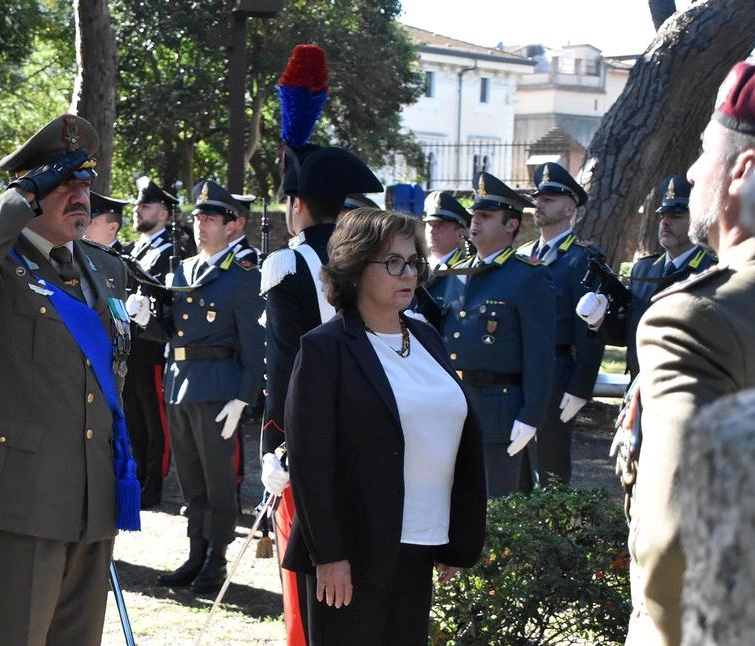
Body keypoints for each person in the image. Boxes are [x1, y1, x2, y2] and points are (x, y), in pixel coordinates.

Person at [0, 114, 138, 646]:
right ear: (29, 193)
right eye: (63, 183)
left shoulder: (105, 269)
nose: (81, 196)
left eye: (85, 183)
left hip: (91, 497)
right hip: (19, 498)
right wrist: (23, 194)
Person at [282, 208, 486, 645]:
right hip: (353, 551)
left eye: (413, 262)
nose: (407, 273)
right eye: (393, 262)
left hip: (421, 541)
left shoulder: (427, 337)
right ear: (354, 269)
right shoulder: (325, 349)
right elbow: (310, 462)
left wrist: (457, 537)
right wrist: (331, 556)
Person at [625, 60, 755, 646]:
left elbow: (675, 548)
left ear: (743, 170)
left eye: (704, 150)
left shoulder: (700, 319)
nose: (691, 169)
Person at [259, 144, 383, 646]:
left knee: (307, 576)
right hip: (375, 428)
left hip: (311, 435)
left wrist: (274, 443)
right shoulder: (374, 259)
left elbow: (285, 366)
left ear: (298, 204)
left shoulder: (288, 262)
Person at [128, 179, 264, 594]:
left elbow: (255, 345)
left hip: (219, 389)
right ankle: (195, 552)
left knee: (218, 479)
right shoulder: (185, 269)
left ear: (234, 225)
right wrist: (145, 320)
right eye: (198, 217)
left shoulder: (242, 275)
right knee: (191, 479)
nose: (201, 225)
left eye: (210, 218)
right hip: (180, 385)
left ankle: (216, 560)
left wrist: (244, 398)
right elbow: (172, 333)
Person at [438, 172, 555, 497]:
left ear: (511, 225)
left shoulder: (527, 276)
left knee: (494, 511)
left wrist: (531, 415)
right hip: (452, 405)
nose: (475, 222)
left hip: (499, 413)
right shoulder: (455, 273)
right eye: (474, 214)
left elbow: (540, 352)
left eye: (486, 216)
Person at [514, 162, 605, 489]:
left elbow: (592, 328)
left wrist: (581, 385)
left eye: (549, 199)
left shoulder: (583, 258)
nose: (539, 203)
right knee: (517, 464)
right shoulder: (523, 255)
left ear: (570, 208)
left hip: (557, 370)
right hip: (521, 368)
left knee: (551, 466)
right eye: (538, 197)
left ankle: (552, 536)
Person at [577, 176, 717, 377]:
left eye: (676, 215)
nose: (666, 222)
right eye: (663, 215)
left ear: (697, 221)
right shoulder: (644, 270)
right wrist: (598, 321)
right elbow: (629, 334)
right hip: (639, 390)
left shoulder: (711, 269)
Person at [122, 177, 183, 509]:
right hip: (131, 344)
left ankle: (155, 480)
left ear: (163, 213)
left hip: (153, 343)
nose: (137, 209)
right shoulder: (137, 249)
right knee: (133, 412)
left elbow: (168, 295)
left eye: (144, 205)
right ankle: (140, 474)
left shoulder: (172, 250)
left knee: (153, 415)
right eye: (137, 204)